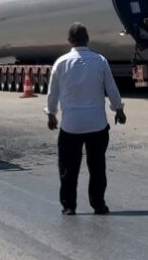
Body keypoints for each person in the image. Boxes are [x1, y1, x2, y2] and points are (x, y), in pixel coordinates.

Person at [46, 23, 127, 215]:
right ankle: (98, 204)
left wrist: (51, 114)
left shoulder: (61, 63)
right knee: (97, 166)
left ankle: (68, 206)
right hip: (97, 124)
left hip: (71, 125)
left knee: (68, 168)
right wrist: (119, 109)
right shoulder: (100, 61)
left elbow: (53, 93)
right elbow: (111, 88)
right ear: (87, 38)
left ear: (69, 41)